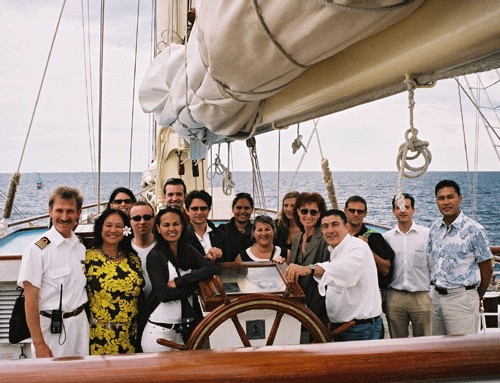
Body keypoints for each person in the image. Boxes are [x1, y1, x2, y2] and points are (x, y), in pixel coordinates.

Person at [287, 209, 382, 342]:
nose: (330, 230)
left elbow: (344, 271)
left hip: (360, 329)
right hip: (341, 326)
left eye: (335, 224)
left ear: (346, 227)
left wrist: (308, 269)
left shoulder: (358, 247)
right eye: (325, 226)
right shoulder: (335, 251)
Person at [17, 186, 89, 358]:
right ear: (50, 211)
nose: (64, 217)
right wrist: (39, 343)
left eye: (70, 211)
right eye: (59, 210)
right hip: (52, 329)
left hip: (80, 326)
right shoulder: (37, 250)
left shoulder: (80, 247)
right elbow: (30, 300)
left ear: (79, 213)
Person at [140, 207, 217, 352]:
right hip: (158, 332)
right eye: (166, 225)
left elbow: (210, 268)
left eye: (176, 224)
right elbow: (164, 294)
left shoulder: (187, 250)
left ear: (182, 226)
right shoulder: (155, 256)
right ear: (158, 228)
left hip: (184, 331)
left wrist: (180, 282)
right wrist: (193, 287)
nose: (172, 229)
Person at [427, 179, 493, 335]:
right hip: (437, 298)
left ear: (460, 198)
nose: (446, 202)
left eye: (450, 197)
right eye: (441, 198)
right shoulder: (435, 228)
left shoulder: (474, 230)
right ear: (436, 201)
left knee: (462, 352)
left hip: (461, 299)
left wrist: (477, 296)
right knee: (439, 350)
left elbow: (487, 269)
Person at [85, 208, 144, 355]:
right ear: (100, 228)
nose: (113, 230)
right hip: (98, 336)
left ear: (125, 230)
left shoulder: (133, 259)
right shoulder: (88, 257)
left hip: (130, 336)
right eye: (108, 225)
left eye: (118, 226)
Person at [344, 195, 394, 338]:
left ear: (365, 214)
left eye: (360, 212)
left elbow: (386, 269)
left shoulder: (374, 238)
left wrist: (367, 249)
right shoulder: (339, 237)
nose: (355, 214)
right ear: (345, 211)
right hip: (344, 304)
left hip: (364, 303)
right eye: (352, 210)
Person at [383, 193, 431, 338]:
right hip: (395, 297)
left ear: (413, 210)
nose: (403, 211)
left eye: (407, 207)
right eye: (398, 208)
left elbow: (434, 265)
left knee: (425, 343)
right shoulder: (387, 238)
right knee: (397, 344)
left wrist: (432, 293)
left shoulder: (426, 235)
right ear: (393, 211)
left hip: (421, 296)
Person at [286, 192, 329, 327]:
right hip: (298, 302)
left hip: (318, 303)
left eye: (313, 212)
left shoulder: (325, 239)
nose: (308, 216)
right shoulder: (297, 239)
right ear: (298, 212)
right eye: (304, 211)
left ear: (319, 214)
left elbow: (329, 270)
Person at [184, 190, 226, 262]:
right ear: (187, 211)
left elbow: (229, 261)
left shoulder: (220, 235)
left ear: (209, 210)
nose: (199, 212)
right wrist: (206, 258)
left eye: (203, 208)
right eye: (195, 209)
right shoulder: (182, 238)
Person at [130, 201, 156, 297]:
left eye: (147, 217)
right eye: (136, 218)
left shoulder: (163, 246)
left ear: (153, 220)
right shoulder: (125, 249)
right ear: (130, 222)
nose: (142, 222)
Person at [219, 192, 254, 262]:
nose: (242, 211)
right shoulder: (222, 230)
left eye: (246, 208)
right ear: (233, 209)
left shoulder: (257, 232)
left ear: (252, 210)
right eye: (239, 208)